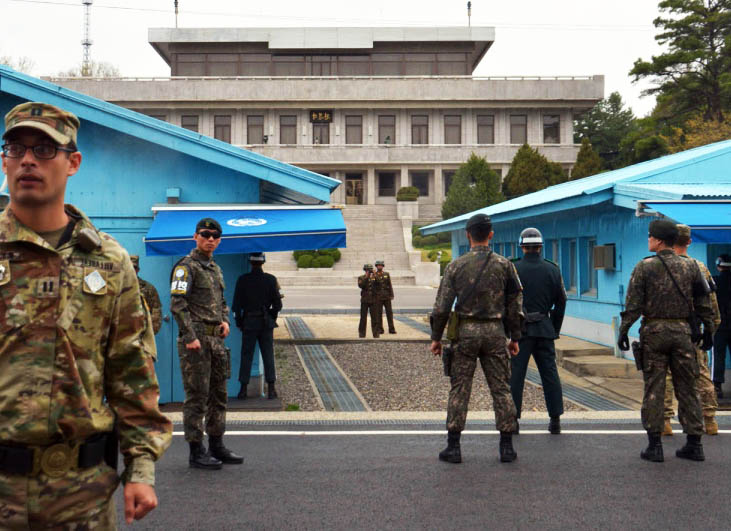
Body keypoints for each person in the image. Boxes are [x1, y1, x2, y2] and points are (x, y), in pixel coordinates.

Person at [0, 101, 172, 527]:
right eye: (14, 147)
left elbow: (131, 370)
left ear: (72, 162)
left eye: (44, 149)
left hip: (80, 494)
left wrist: (140, 471)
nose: (26, 160)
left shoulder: (109, 260)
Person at [618, 219, 714, 463]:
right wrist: (709, 330)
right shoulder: (692, 266)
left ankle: (655, 445)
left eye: (650, 236)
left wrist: (624, 331)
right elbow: (704, 303)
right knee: (688, 387)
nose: (648, 239)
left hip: (654, 333)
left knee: (654, 388)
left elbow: (633, 305)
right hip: (683, 333)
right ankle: (694, 444)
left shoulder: (645, 267)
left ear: (659, 240)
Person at [430, 213, 523, 464]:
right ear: (491, 235)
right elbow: (515, 304)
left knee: (460, 388)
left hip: (465, 333)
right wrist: (515, 336)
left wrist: (436, 337)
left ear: (468, 235)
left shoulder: (455, 266)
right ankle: (506, 446)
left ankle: (454, 446)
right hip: (495, 332)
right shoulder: (505, 265)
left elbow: (442, 307)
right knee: (501, 388)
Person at [170, 217, 244, 469]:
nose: (210, 239)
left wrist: (225, 320)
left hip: (216, 339)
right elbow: (177, 304)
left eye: (215, 236)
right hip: (197, 341)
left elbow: (222, 301)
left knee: (218, 394)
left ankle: (217, 445)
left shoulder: (215, 268)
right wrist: (189, 337)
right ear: (195, 236)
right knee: (197, 396)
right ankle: (196, 451)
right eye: (205, 234)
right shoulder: (186, 267)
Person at [662, 225, 720, 436]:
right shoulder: (699, 267)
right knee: (700, 373)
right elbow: (711, 303)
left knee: (665, 375)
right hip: (692, 330)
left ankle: (665, 421)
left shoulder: (657, 265)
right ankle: (709, 419)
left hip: (663, 329)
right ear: (689, 241)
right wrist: (711, 328)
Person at [509, 227, 567, 435]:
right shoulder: (553, 269)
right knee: (550, 374)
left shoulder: (513, 268)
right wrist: (555, 328)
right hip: (544, 327)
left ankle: (513, 420)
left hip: (520, 329)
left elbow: (507, 301)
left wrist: (510, 328)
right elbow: (561, 301)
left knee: (516, 374)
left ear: (522, 246)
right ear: (541, 247)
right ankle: (555, 419)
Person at [232, 252, 283, 400]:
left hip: (249, 322)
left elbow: (236, 306)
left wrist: (239, 322)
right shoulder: (271, 279)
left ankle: (243, 389)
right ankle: (271, 389)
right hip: (265, 322)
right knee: (268, 354)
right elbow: (278, 305)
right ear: (263, 262)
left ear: (250, 262)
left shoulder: (242, 280)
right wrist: (270, 316)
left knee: (246, 355)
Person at [712, 254, 730, 400]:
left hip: (720, 325)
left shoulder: (715, 281)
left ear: (719, 265)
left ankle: (717, 386)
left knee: (718, 355)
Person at [131, 254, 162, 335]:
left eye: (134, 268)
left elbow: (156, 312)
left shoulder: (148, 288)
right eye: (128, 267)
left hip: (142, 335)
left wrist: (148, 334)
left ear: (138, 270)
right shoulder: (117, 287)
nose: (131, 270)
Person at [374, 259, 396, 335]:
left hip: (387, 297)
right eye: (378, 265)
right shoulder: (374, 275)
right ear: (376, 266)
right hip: (378, 297)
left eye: (381, 265)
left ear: (383, 266)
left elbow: (389, 285)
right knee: (378, 314)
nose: (379, 266)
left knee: (389, 313)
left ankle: (391, 329)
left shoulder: (387, 274)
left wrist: (392, 294)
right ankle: (380, 329)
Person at [358, 263, 380, 338]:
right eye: (367, 270)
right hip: (364, 300)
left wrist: (375, 275)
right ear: (365, 270)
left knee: (375, 318)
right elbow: (361, 285)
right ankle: (362, 334)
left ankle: (376, 334)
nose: (369, 271)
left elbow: (379, 284)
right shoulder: (361, 277)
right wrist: (367, 277)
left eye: (370, 270)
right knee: (363, 318)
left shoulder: (375, 277)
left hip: (374, 300)